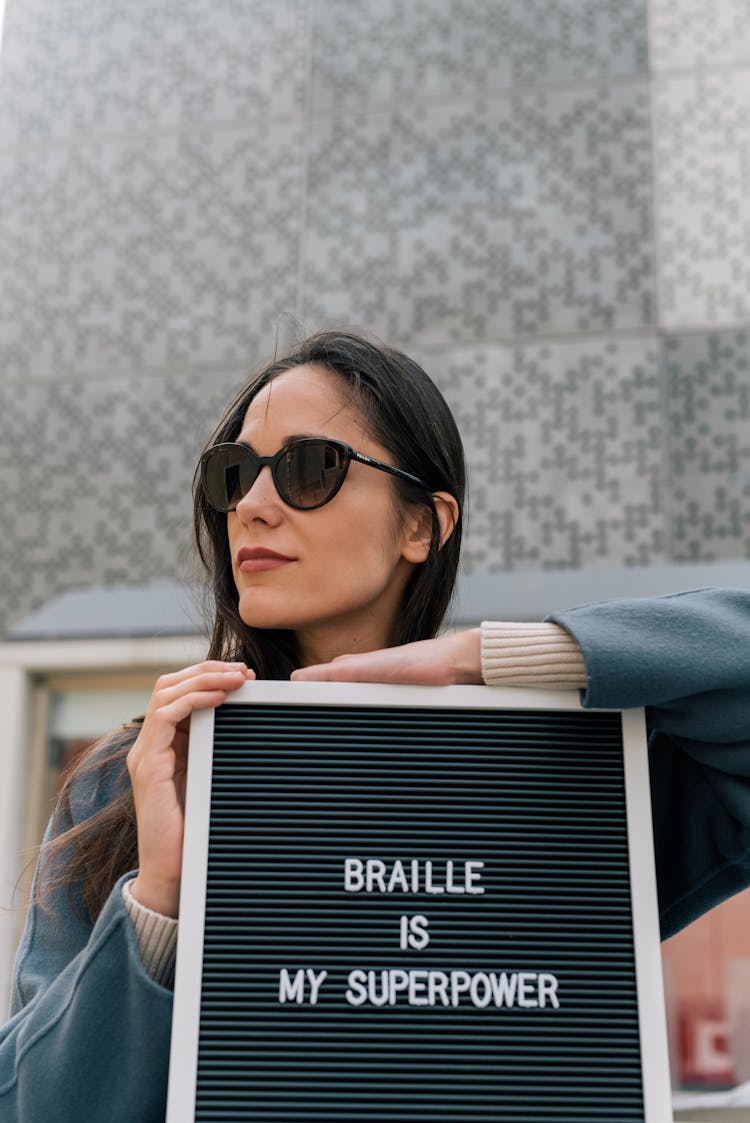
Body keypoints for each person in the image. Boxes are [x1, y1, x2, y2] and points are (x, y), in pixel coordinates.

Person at [2, 331, 749, 1121]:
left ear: (423, 525)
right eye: (233, 475)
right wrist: (160, 901)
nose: (252, 506)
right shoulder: (148, 772)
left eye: (308, 468)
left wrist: (497, 658)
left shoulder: (572, 767)